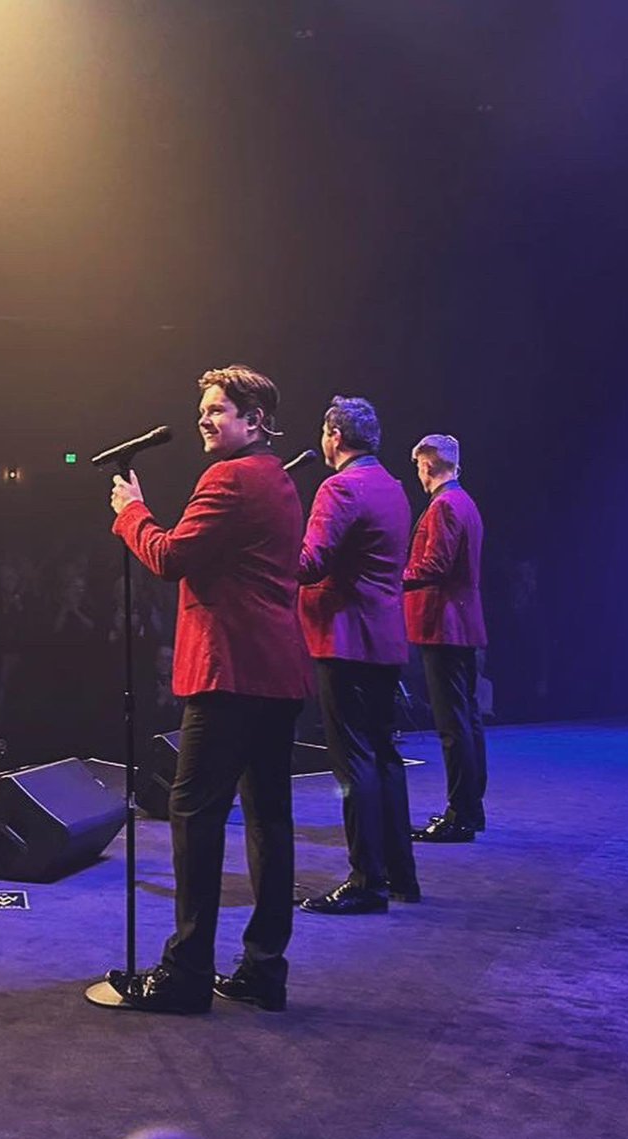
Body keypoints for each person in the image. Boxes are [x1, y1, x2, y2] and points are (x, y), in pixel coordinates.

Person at [91, 364, 310, 1014]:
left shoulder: (229, 478)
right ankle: (264, 968)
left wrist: (131, 512)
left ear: (255, 420)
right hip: (277, 670)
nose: (205, 420)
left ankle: (187, 970)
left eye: (218, 409)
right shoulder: (277, 478)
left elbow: (168, 558)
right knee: (270, 818)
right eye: (203, 411)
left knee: (194, 812)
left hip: (231, 670)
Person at [296, 398, 419, 914]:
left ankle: (365, 879)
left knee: (354, 763)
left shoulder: (339, 487)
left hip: (345, 638)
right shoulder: (392, 486)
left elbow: (310, 563)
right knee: (384, 756)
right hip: (384, 637)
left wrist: (264, 544)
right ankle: (398, 874)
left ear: (333, 436)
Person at [403, 434, 488, 842]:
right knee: (467, 721)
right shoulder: (465, 502)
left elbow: (433, 565)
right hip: (463, 623)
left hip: (443, 624)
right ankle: (471, 808)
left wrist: (392, 578)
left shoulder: (444, 507)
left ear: (428, 465)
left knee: (453, 724)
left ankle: (460, 814)